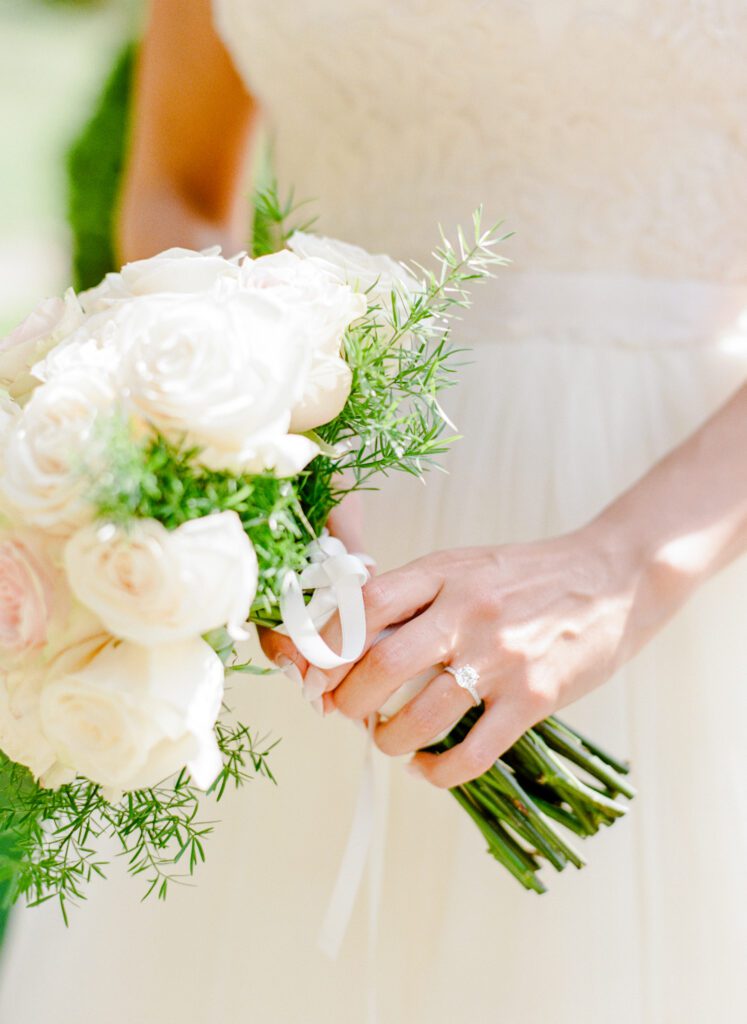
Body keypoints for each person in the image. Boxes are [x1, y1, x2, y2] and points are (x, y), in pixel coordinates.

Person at [1, 1, 746, 1021]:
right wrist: (241, 463)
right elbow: (179, 183)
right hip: (313, 548)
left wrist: (620, 570)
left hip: (685, 526)